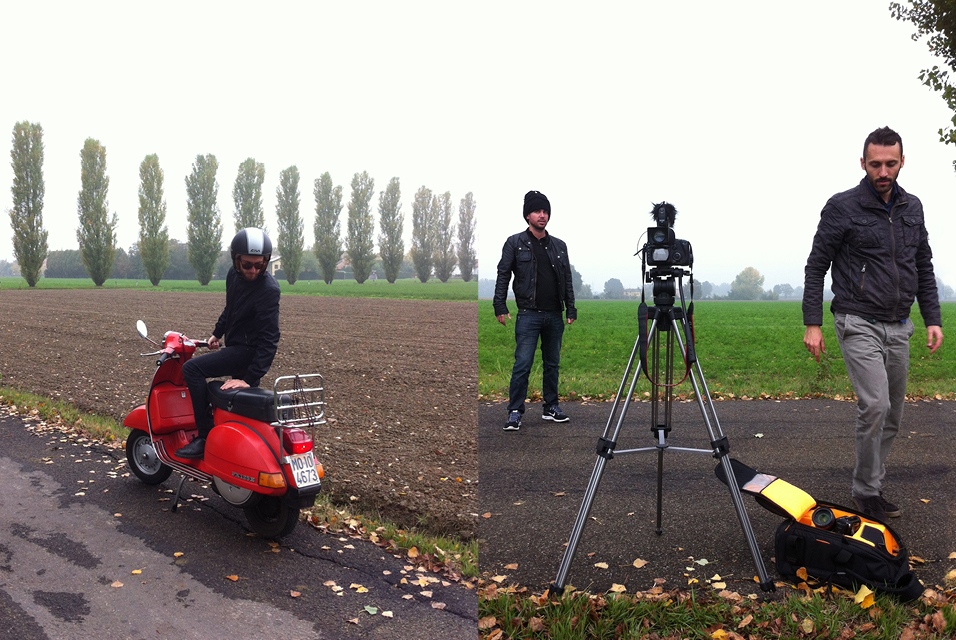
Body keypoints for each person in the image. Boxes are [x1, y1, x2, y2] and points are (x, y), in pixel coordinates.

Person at [802, 126, 943, 521]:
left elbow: (923, 266)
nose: (883, 171)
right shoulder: (842, 207)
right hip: (856, 320)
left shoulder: (912, 207)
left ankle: (873, 484)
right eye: (876, 164)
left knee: (893, 413)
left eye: (891, 163)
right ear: (863, 163)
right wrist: (813, 323)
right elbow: (816, 267)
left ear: (902, 162)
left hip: (900, 325)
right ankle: (866, 492)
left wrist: (932, 318)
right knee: (876, 404)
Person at [175, 228, 282, 459]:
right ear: (236, 261)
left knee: (191, 369)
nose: (253, 270)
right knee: (240, 409)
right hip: (235, 345)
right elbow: (231, 308)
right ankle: (229, 453)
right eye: (247, 265)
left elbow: (269, 339)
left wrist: (249, 378)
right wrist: (217, 332)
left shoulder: (268, 290)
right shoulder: (233, 277)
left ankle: (205, 437)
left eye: (260, 265)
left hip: (248, 352)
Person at [493, 190, 576, 431]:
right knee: (522, 364)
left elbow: (567, 279)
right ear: (527, 215)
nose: (542, 215)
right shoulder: (514, 243)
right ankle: (515, 411)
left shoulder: (559, 245)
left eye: (545, 211)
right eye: (537, 211)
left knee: (552, 364)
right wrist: (499, 304)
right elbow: (503, 274)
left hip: (554, 315)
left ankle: (551, 407)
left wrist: (571, 307)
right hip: (528, 314)